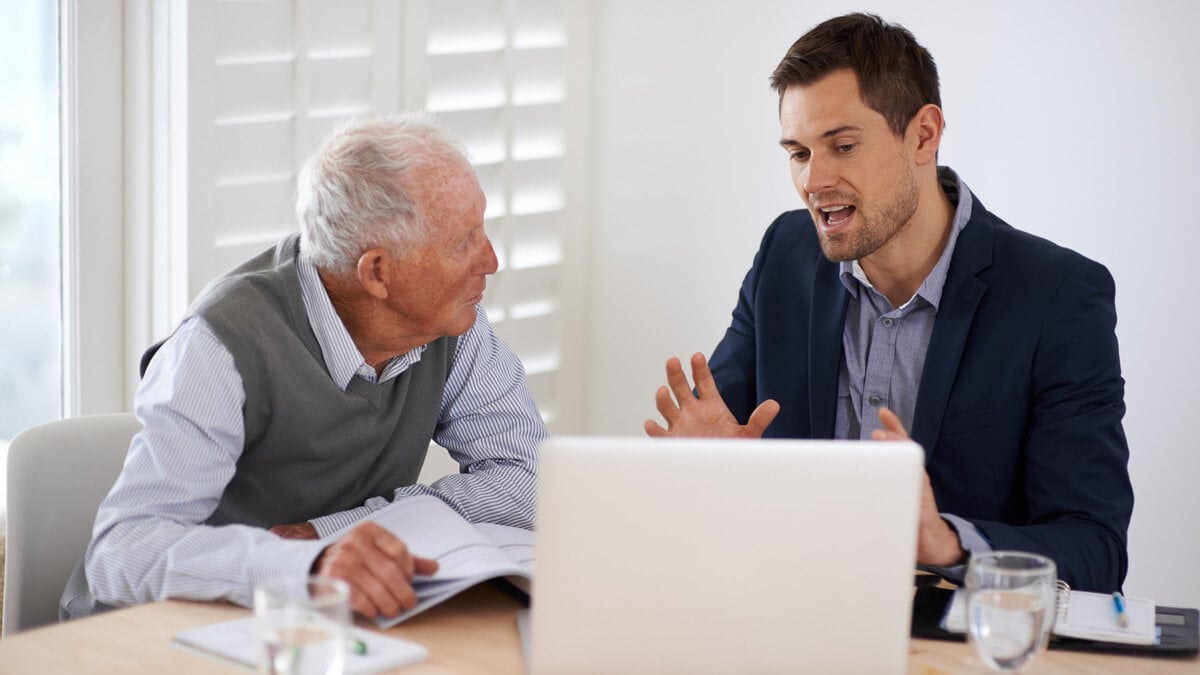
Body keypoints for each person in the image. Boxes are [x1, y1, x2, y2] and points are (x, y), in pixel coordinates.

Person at [645, 13, 1132, 593]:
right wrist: (700, 475)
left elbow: (1095, 547)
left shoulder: (1056, 296)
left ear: (924, 135)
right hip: (790, 613)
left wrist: (943, 541)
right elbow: (725, 440)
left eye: (843, 145)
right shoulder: (785, 255)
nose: (813, 180)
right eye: (798, 152)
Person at [62, 113, 547, 620]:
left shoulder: (449, 325)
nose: (490, 260)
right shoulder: (221, 345)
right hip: (164, 628)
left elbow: (529, 479)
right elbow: (122, 554)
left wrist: (332, 533)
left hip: (317, 618)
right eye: (462, 242)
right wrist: (304, 566)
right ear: (377, 272)